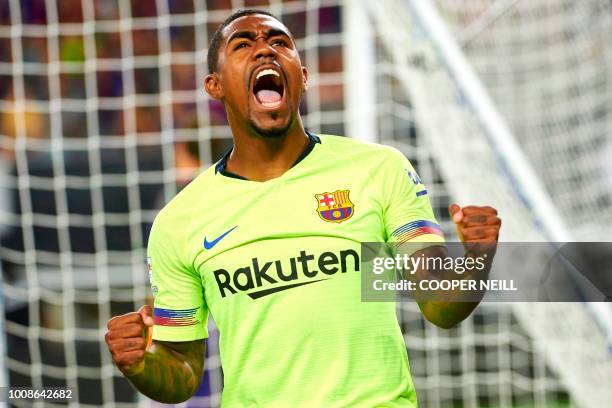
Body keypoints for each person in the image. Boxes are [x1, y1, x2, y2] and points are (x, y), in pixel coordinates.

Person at [105, 9, 501, 406]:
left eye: (280, 43)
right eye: (243, 44)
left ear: (303, 76)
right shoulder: (180, 220)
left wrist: (477, 255)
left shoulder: (379, 168)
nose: (265, 51)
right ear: (215, 85)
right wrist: (142, 363)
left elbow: (440, 304)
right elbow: (182, 369)